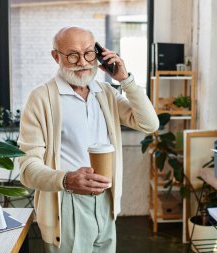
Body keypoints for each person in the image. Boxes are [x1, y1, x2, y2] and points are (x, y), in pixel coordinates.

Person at [17, 26, 159, 253]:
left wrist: (125, 79)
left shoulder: (106, 93)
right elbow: (27, 168)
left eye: (89, 53)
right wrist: (66, 180)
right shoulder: (41, 98)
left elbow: (149, 124)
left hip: (106, 201)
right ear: (56, 56)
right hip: (66, 203)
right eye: (72, 54)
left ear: (99, 53)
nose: (82, 61)